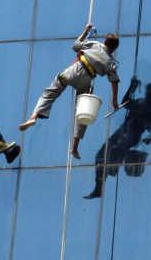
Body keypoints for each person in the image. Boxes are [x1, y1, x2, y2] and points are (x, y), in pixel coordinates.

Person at [19, 23, 120, 159]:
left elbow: (76, 46)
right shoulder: (111, 61)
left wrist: (85, 32)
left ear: (105, 42)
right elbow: (114, 81)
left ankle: (33, 117)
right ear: (114, 48)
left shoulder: (94, 44)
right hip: (87, 79)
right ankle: (74, 148)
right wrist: (114, 100)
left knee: (50, 93)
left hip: (74, 70)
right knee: (82, 113)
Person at [84, 76, 151, 199]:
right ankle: (98, 188)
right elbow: (125, 103)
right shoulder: (139, 102)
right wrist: (132, 88)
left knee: (115, 151)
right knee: (101, 154)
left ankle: (111, 169)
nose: (147, 93)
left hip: (133, 135)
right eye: (147, 90)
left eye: (150, 92)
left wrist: (150, 139)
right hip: (121, 131)